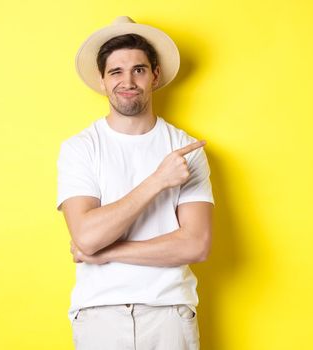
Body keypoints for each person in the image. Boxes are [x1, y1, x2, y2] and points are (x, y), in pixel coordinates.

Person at [56, 16, 213, 350]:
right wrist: (158, 180)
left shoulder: (185, 150)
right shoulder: (80, 148)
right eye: (116, 72)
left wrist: (106, 252)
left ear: (155, 76)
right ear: (102, 80)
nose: (127, 81)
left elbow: (195, 244)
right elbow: (86, 236)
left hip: (169, 313)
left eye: (139, 70)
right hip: (99, 316)